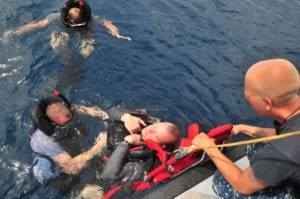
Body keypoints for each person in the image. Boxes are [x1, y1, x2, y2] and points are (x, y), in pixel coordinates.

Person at [192, 58, 300, 198]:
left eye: (248, 96)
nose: (246, 97)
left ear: (267, 103)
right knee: (254, 146)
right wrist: (244, 128)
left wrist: (209, 147)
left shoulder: (281, 152)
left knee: (222, 183)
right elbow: (284, 135)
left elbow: (242, 186)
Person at [88, 107, 180, 198]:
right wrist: (126, 117)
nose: (149, 130)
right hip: (97, 158)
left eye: (155, 135)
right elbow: (110, 110)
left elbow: (108, 175)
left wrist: (126, 143)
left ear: (162, 146)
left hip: (98, 185)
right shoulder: (143, 122)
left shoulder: (143, 162)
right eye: (155, 127)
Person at [30, 94, 108, 197]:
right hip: (56, 173)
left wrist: (105, 117)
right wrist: (99, 145)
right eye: (66, 123)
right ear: (53, 124)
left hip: (68, 152)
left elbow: (90, 110)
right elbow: (72, 168)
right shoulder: (45, 141)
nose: (70, 123)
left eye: (70, 117)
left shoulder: (65, 109)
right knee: (92, 193)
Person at [2, 0, 131, 61]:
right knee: (57, 45)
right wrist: (16, 32)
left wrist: (117, 34)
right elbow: (38, 24)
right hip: (64, 32)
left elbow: (107, 23)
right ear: (68, 17)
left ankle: (77, 65)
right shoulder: (58, 16)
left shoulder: (90, 17)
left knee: (87, 52)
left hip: (85, 33)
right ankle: (67, 61)